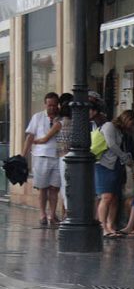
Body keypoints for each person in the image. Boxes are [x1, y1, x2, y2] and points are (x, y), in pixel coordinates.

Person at [96, 110, 134, 238]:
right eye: (132, 123)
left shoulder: (121, 131)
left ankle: (111, 225)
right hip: (104, 165)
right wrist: (125, 157)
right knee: (106, 196)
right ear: (126, 119)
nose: (132, 126)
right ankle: (103, 227)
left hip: (116, 166)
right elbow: (111, 145)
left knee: (114, 197)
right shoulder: (109, 126)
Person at [21, 92, 61, 226]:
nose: (52, 108)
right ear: (45, 104)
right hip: (41, 156)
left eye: (54, 105)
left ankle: (52, 214)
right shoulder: (37, 117)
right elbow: (30, 137)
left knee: (54, 188)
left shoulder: (61, 118)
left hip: (57, 157)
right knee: (42, 188)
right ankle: (43, 214)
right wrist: (23, 155)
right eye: (49, 105)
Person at [33, 93, 73, 219]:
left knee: (62, 187)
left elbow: (45, 139)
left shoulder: (59, 122)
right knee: (59, 187)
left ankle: (64, 213)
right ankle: (56, 214)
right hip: (72, 157)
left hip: (61, 157)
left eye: (55, 105)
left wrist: (35, 141)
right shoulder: (76, 122)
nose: (53, 108)